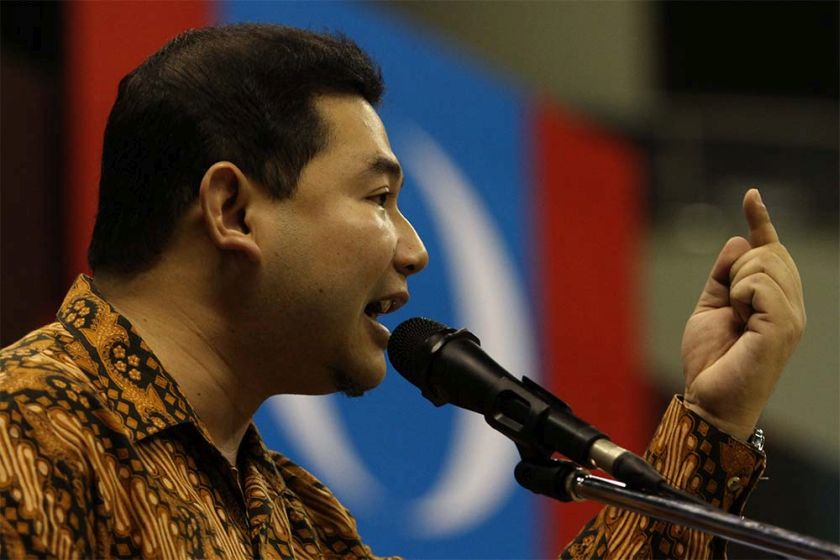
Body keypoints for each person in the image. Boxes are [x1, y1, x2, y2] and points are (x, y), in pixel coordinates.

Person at [0, 24, 805, 559]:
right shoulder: (28, 432)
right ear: (232, 210)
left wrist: (711, 419)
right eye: (380, 199)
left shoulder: (296, 514)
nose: (415, 251)